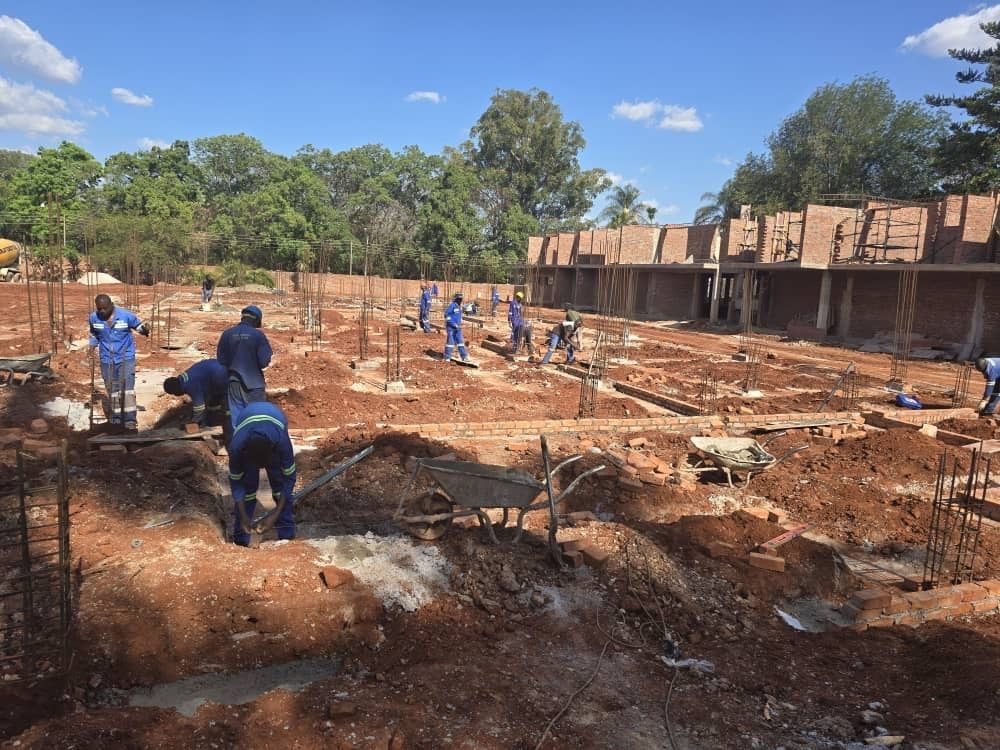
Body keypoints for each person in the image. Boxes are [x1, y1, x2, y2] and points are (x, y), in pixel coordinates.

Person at [228, 401, 297, 546]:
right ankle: (241, 540)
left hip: (274, 416)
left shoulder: (281, 442)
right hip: (247, 419)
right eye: (257, 465)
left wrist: (275, 514)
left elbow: (288, 479)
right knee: (248, 488)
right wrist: (244, 516)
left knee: (279, 484)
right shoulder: (237, 448)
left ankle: (286, 537)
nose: (261, 469)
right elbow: (236, 483)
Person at [88, 294, 149, 430]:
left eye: (105, 308)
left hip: (125, 356)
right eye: (99, 309)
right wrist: (91, 348)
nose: (102, 311)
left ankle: (130, 419)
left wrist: (145, 330)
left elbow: (138, 326)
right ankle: (116, 417)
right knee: (112, 388)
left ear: (111, 305)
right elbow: (94, 334)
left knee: (127, 388)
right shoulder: (93, 318)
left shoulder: (126, 315)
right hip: (106, 358)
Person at [217, 305, 272, 428]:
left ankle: (239, 444)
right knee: (257, 418)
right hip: (254, 384)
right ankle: (256, 444)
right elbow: (264, 362)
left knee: (237, 418)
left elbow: (221, 360)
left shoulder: (227, 334)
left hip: (233, 382)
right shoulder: (258, 336)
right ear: (256, 320)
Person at [163, 359, 229, 427]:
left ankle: (227, 423)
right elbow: (203, 396)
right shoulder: (183, 379)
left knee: (225, 400)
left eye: (174, 393)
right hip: (217, 369)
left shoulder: (190, 385)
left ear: (176, 390)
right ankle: (214, 418)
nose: (176, 395)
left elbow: (199, 406)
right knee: (211, 402)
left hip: (222, 376)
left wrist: (194, 422)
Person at [443, 292, 470, 362]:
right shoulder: (452, 306)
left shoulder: (459, 307)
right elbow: (446, 316)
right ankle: (447, 357)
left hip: (458, 328)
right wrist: (453, 324)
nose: (460, 301)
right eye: (458, 299)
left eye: (461, 299)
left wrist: (459, 323)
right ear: (456, 299)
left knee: (460, 342)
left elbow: (458, 317)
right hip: (451, 328)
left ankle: (464, 357)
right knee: (450, 342)